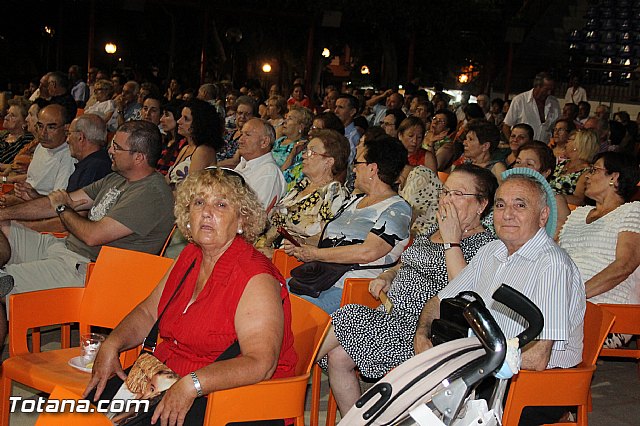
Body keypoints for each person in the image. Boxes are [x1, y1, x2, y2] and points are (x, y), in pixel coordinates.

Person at [83, 168, 297, 425]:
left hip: (235, 398)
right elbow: (149, 313)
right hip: (169, 376)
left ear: (242, 220)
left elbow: (260, 363)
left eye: (220, 204)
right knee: (87, 412)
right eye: (198, 202)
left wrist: (192, 385)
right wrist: (112, 344)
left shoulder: (255, 277)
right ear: (187, 215)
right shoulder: (190, 256)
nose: (207, 212)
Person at [315, 164, 497, 416]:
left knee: (349, 315)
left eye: (458, 194)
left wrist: (452, 240)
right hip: (390, 315)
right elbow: (407, 261)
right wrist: (389, 274)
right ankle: (354, 422)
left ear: (481, 204)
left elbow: (465, 293)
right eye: (445, 192)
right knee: (337, 356)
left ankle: (294, 371)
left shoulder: (485, 245)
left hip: (421, 330)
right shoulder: (433, 230)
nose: (448, 200)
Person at [414, 172, 585, 426]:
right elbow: (440, 300)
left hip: (539, 384)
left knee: (437, 409)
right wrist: (422, 334)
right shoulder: (491, 251)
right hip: (492, 368)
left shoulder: (552, 264)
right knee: (413, 401)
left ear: (543, 216)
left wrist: (469, 356)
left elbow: (538, 358)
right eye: (501, 205)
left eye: (520, 205)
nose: (507, 214)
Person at [0, 120, 175, 344]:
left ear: (139, 157)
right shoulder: (117, 177)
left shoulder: (151, 194)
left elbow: (92, 235)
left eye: (117, 147)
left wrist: (62, 206)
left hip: (87, 270)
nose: (109, 150)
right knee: (3, 227)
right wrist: (4, 214)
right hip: (64, 248)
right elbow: (56, 203)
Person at [283, 136, 412, 314]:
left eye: (357, 162)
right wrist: (300, 243)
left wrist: (315, 254)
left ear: (372, 169)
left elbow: (368, 251)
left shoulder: (397, 209)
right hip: (321, 277)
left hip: (353, 287)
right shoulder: (354, 200)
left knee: (291, 309)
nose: (353, 168)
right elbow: (328, 238)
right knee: (272, 293)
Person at [559, 152, 640, 347]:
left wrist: (575, 294)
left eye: (594, 170)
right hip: (565, 301)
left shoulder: (633, 211)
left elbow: (624, 266)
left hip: (607, 311)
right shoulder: (579, 214)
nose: (587, 175)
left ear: (615, 177)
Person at [256, 129, 350, 256]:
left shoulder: (333, 193)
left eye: (312, 152)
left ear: (329, 162)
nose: (304, 155)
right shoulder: (301, 186)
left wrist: (284, 250)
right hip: (266, 248)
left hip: (290, 259)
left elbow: (325, 238)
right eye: (306, 151)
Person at [514, 141, 571, 237]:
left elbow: (562, 236)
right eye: (518, 162)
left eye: (529, 164)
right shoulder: (507, 195)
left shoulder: (555, 201)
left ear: (545, 172)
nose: (520, 167)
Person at [167, 99, 222, 188]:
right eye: (181, 117)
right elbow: (168, 179)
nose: (179, 121)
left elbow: (191, 187)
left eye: (186, 119)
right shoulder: (186, 148)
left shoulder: (203, 151)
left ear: (199, 124)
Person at [234, 118, 287, 211]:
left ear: (264, 142)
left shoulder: (269, 173)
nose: (240, 140)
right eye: (242, 134)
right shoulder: (244, 164)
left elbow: (256, 216)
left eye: (247, 135)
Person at [503, 72, 560, 143]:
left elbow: (556, 127)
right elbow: (506, 127)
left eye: (551, 90)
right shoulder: (519, 100)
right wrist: (514, 145)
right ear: (537, 86)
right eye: (546, 89)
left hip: (544, 149)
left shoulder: (554, 103)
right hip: (523, 149)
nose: (549, 93)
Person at [549, 128, 599, 206]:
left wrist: (552, 196)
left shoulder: (587, 172)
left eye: (569, 140)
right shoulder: (563, 163)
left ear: (577, 145)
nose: (566, 143)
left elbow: (578, 199)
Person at [272, 107, 313, 186]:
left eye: (290, 119)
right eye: (285, 118)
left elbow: (287, 177)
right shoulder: (279, 141)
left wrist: (292, 155)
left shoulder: (302, 147)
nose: (284, 121)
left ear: (300, 126)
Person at [217, 95, 256, 167]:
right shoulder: (229, 133)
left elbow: (235, 162)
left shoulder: (250, 137)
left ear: (253, 116)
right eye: (240, 113)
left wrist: (212, 166)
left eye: (247, 114)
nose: (242, 117)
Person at [0, 98, 34, 166]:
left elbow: (19, 167)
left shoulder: (27, 141)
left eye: (12, 115)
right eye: (7, 113)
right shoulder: (2, 135)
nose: (6, 117)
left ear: (25, 122)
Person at [156, 101, 185, 176]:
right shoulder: (165, 140)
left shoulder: (183, 145)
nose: (161, 119)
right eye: (162, 115)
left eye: (167, 115)